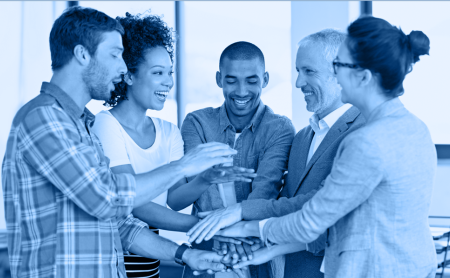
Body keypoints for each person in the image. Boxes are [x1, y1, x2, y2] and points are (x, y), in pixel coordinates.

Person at [1, 6, 248, 278]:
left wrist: (186, 254)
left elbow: (119, 223)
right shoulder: (43, 118)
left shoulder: (82, 126)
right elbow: (106, 199)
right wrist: (183, 167)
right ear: (83, 55)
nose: (122, 67)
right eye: (115, 55)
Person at [212, 16, 437, 278]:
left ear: (363, 76)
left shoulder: (367, 141)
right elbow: (344, 221)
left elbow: (312, 220)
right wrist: (268, 250)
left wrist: (247, 228)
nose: (337, 75)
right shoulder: (415, 127)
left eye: (339, 66)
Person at [187, 29, 366, 278]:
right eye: (298, 71)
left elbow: (326, 207)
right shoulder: (303, 137)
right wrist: (262, 245)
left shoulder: (364, 130)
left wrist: (242, 216)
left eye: (309, 71)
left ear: (339, 72)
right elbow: (286, 204)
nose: (298, 83)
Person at [91, 12, 257, 278]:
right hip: (117, 254)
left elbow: (175, 200)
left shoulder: (168, 131)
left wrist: (205, 179)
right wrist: (210, 226)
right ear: (129, 76)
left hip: (150, 256)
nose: (168, 81)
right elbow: (131, 203)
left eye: (170, 72)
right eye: (158, 73)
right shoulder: (105, 124)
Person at [181, 41, 296, 278]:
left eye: (252, 81)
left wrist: (235, 232)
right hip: (207, 253)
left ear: (264, 79)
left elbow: (264, 192)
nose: (242, 91)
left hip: (255, 254)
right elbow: (203, 195)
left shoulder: (280, 128)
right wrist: (229, 235)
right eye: (231, 80)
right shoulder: (197, 123)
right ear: (219, 79)